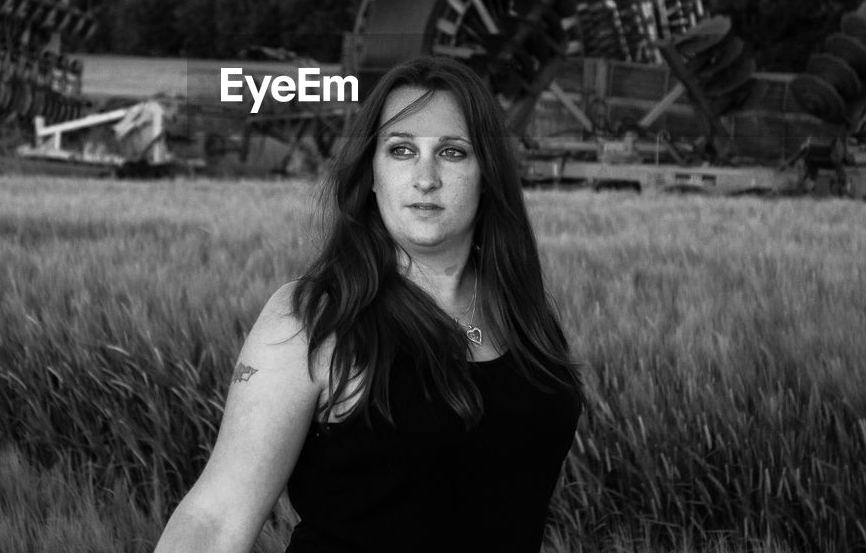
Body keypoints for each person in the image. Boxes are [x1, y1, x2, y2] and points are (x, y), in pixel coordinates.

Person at [155, 55, 583, 553]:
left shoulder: (524, 316)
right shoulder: (314, 316)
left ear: (487, 171)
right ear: (373, 173)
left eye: (452, 152)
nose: (426, 177)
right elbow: (216, 518)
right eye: (401, 150)